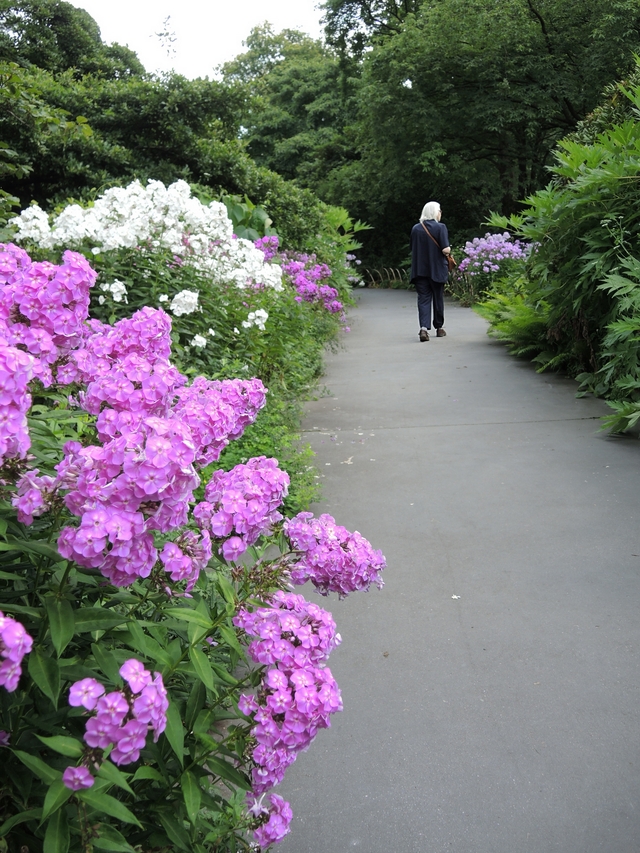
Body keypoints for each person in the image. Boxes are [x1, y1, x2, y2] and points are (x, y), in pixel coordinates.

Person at [410, 201, 451, 342]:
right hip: (437, 269)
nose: (440, 213)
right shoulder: (441, 227)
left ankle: (423, 329)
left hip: (420, 270)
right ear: (434, 212)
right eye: (439, 210)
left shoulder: (416, 228)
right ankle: (439, 328)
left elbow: (413, 247)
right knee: (438, 298)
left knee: (423, 299)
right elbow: (445, 249)